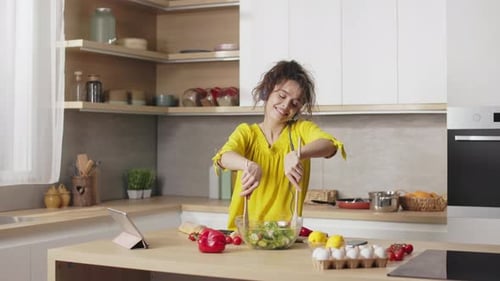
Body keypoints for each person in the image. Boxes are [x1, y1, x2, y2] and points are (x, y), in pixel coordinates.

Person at [212, 60, 346, 230]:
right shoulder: (247, 133)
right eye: (282, 96)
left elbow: (330, 145)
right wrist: (248, 165)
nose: (286, 106)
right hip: (243, 234)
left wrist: (297, 154)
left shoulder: (301, 130)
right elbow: (224, 157)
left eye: (295, 103)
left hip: (284, 234)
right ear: (267, 91)